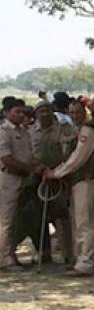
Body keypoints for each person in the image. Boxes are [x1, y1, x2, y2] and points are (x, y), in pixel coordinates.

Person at [43, 101, 94, 276]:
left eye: (78, 112)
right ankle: (79, 260)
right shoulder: (78, 130)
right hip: (77, 182)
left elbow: (78, 158)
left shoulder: (88, 131)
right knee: (78, 222)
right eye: (71, 112)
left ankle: (85, 262)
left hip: (85, 180)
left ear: (84, 112)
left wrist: (56, 173)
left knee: (85, 223)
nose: (74, 115)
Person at [0, 98, 45, 271]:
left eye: (22, 112)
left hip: (24, 180)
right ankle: (4, 259)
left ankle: (9, 254)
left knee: (18, 220)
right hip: (8, 179)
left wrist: (37, 166)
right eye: (16, 112)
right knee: (6, 220)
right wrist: (30, 169)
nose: (20, 115)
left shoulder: (24, 131)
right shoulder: (3, 131)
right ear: (6, 113)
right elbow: (7, 158)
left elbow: (29, 155)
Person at [30, 101, 76, 266]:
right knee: (38, 217)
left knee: (62, 217)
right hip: (38, 178)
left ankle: (69, 254)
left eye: (47, 110)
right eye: (41, 111)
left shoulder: (63, 129)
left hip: (58, 177)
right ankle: (44, 253)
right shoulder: (31, 131)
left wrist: (58, 171)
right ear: (36, 114)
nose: (44, 114)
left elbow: (68, 153)